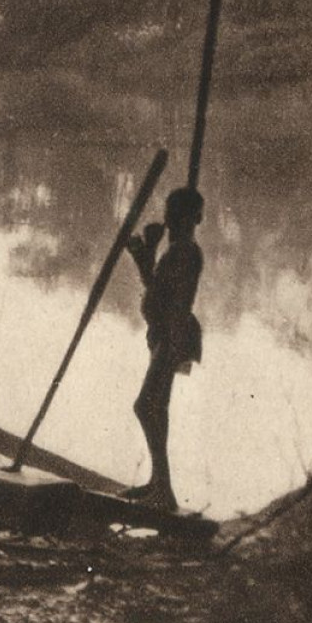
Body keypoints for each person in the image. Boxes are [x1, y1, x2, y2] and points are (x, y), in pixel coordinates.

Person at [122, 185, 205, 512]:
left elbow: (167, 298)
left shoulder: (184, 252)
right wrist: (146, 254)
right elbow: (155, 289)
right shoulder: (178, 250)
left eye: (177, 215)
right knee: (158, 406)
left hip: (174, 336)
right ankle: (160, 485)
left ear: (193, 218)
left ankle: (164, 487)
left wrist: (147, 253)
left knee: (145, 405)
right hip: (166, 335)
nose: (171, 220)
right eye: (170, 214)